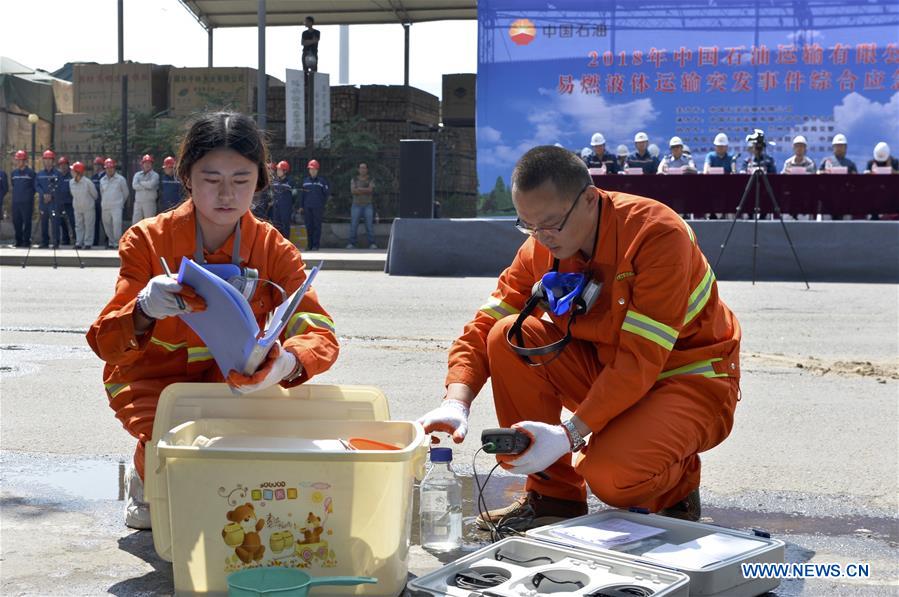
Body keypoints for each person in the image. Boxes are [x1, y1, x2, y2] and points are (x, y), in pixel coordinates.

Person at [417, 146, 741, 529]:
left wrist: (570, 433)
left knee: (611, 477)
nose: (542, 237)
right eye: (528, 225)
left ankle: (677, 487)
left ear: (589, 198)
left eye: (551, 224)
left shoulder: (656, 234)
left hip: (688, 377)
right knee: (508, 337)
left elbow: (640, 359)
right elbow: (485, 325)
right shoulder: (539, 246)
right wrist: (457, 401)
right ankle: (552, 499)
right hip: (610, 372)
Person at [86, 111, 339, 530]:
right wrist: (144, 309)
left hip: (235, 381)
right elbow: (105, 342)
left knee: (241, 488)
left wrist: (286, 364)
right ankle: (147, 476)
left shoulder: (274, 249)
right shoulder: (148, 240)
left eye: (241, 179)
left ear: (260, 181)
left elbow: (319, 330)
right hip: (151, 380)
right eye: (211, 178)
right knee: (172, 451)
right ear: (186, 176)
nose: (226, 194)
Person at [100, 158, 129, 248]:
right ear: (105, 169)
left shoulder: (120, 179)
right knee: (107, 225)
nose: (109, 170)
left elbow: (126, 193)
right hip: (105, 206)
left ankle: (117, 243)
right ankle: (111, 242)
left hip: (117, 206)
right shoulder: (102, 180)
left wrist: (120, 203)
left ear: (114, 168)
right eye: (107, 168)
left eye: (111, 168)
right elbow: (102, 193)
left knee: (117, 224)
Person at [301, 159, 329, 251]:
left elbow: (326, 194)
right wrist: (301, 206)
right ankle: (309, 245)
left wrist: (322, 204)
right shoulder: (305, 181)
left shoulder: (322, 181)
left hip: (318, 207)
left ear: (317, 170)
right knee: (309, 226)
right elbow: (302, 195)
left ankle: (316, 245)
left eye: (314, 169)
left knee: (317, 226)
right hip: (307, 207)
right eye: (310, 169)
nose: (312, 171)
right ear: (309, 170)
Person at [348, 162, 377, 249]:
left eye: (364, 168)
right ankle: (351, 243)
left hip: (368, 205)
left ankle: (372, 243)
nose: (363, 170)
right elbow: (353, 191)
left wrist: (359, 189)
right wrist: (365, 189)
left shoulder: (371, 179)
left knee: (369, 225)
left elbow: (370, 190)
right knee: (354, 225)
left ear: (367, 169)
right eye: (361, 168)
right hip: (356, 205)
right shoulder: (354, 179)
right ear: (358, 170)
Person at [70, 161, 99, 249]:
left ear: (77, 172)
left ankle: (88, 243)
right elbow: (72, 194)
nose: (71, 172)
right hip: (77, 208)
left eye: (73, 171)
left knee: (89, 225)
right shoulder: (71, 182)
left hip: (88, 208)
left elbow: (95, 195)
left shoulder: (88, 182)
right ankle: (79, 242)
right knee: (78, 226)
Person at [10, 150, 36, 248]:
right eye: (17, 160)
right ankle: (18, 241)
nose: (18, 162)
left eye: (20, 160)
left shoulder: (31, 173)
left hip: (27, 202)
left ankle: (26, 241)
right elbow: (13, 185)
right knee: (16, 222)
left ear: (25, 161)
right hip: (16, 202)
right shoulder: (13, 173)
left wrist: (28, 196)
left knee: (27, 222)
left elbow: (34, 188)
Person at [35, 149, 60, 248]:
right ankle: (45, 241)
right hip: (43, 202)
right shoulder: (40, 174)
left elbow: (59, 186)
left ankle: (55, 241)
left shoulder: (57, 173)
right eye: (46, 159)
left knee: (55, 222)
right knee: (44, 222)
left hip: (54, 202)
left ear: (53, 161)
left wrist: (51, 195)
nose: (48, 161)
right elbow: (37, 186)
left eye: (50, 159)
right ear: (43, 161)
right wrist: (43, 194)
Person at [53, 156, 75, 247]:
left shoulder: (71, 176)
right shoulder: (57, 175)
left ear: (68, 165)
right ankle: (65, 239)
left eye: (65, 165)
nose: (63, 167)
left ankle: (75, 239)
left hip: (70, 202)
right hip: (60, 202)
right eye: (61, 165)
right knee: (61, 222)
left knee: (72, 221)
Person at [132, 154, 160, 224]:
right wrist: (146, 185)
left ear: (151, 164)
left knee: (149, 224)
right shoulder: (137, 174)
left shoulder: (155, 175)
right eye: (145, 163)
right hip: (138, 202)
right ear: (142, 164)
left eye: (149, 163)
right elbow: (134, 186)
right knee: (135, 223)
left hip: (149, 203)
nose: (147, 165)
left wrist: (140, 182)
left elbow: (151, 185)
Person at [271, 160, 295, 238]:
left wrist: (291, 204)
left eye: (279, 169)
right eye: (277, 169)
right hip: (276, 208)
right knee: (276, 226)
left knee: (285, 226)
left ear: (285, 171)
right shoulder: (275, 181)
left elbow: (294, 196)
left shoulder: (290, 182)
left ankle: (286, 244)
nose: (277, 171)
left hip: (286, 208)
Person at [92, 157, 107, 247]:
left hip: (104, 203)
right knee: (95, 223)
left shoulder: (105, 176)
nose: (96, 167)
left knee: (106, 223)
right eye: (95, 165)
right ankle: (95, 241)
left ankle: (108, 240)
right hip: (95, 203)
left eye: (98, 165)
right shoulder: (93, 177)